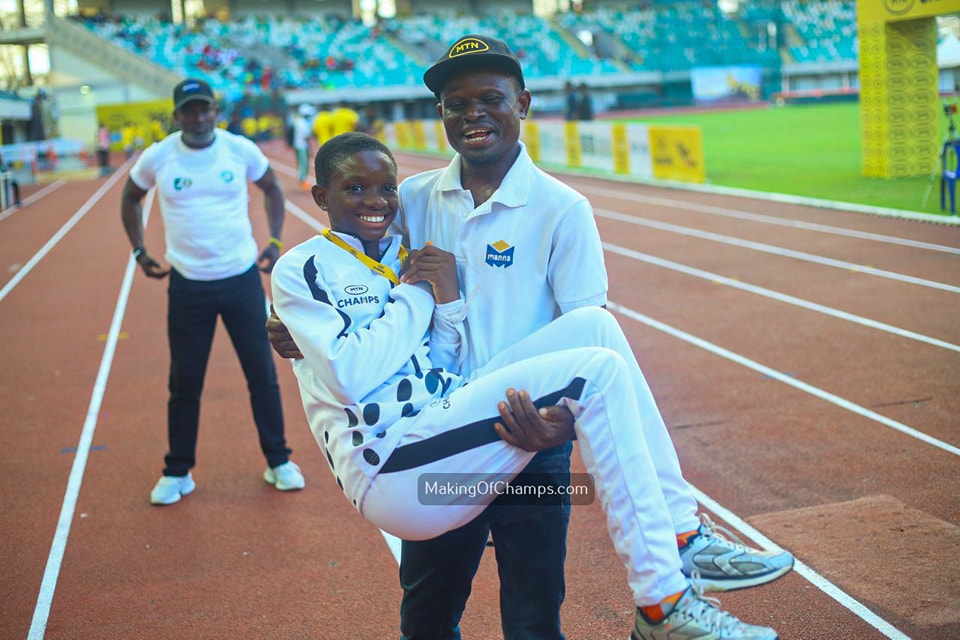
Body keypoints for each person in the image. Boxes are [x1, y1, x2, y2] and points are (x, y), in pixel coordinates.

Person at [268, 35, 792, 639]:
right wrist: (292, 325)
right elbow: (348, 267)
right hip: (436, 432)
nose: (473, 115)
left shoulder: (563, 209)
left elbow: (583, 337)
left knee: (534, 618)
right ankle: (668, 584)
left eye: (490, 99)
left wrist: (559, 430)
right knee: (429, 618)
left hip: (533, 437)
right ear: (440, 115)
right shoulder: (410, 198)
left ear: (524, 103)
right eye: (455, 104)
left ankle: (683, 537)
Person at [120, 78, 305, 506]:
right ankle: (178, 470)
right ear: (177, 115)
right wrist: (138, 250)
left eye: (205, 109)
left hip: (240, 279)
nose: (198, 117)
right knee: (185, 382)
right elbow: (130, 197)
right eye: (189, 110)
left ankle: (278, 461)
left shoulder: (238, 149)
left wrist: (275, 241)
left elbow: (272, 189)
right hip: (187, 285)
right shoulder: (160, 156)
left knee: (261, 375)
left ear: (215, 112)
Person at [292, 103, 315, 190]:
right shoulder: (303, 123)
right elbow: (306, 136)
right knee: (303, 164)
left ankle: (302, 180)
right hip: (302, 146)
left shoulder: (298, 121)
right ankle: (302, 180)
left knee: (302, 163)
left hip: (299, 145)